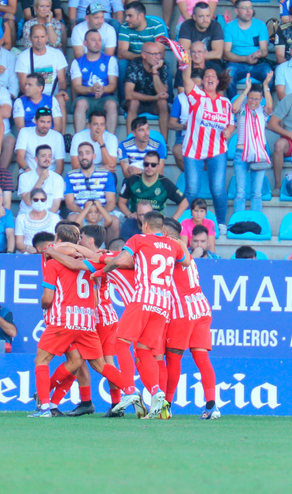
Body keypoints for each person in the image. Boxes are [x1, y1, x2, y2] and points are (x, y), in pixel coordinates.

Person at [31, 224, 136, 417]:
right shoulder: (95, 262)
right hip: (89, 321)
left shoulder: (53, 261)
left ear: (58, 239)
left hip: (67, 320)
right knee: (94, 363)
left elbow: (47, 298)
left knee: (42, 360)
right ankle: (130, 392)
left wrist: (45, 305)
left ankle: (46, 405)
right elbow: (95, 300)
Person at [97, 212, 191, 419]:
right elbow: (185, 263)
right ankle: (158, 394)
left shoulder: (138, 239)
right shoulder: (173, 245)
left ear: (146, 225)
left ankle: (130, 390)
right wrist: (179, 242)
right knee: (145, 350)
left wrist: (102, 270)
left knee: (120, 344)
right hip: (164, 303)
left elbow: (122, 258)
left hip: (143, 298)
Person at [158, 218, 220, 419]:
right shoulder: (181, 246)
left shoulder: (170, 248)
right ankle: (211, 405)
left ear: (165, 234)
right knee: (201, 357)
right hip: (200, 306)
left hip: (182, 308)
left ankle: (166, 405)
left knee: (173, 357)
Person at [180, 63, 234, 228]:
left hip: (217, 150)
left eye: (213, 76)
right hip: (193, 149)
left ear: (218, 81)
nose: (210, 78)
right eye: (207, 76)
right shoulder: (196, 95)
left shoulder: (225, 103)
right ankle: (184, 223)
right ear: (202, 81)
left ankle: (221, 224)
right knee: (191, 189)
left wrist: (229, 131)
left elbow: (231, 123)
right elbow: (186, 78)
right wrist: (186, 62)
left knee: (218, 189)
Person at [231, 73, 273, 213]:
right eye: (251, 98)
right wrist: (245, 90)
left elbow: (270, 107)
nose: (253, 102)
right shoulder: (242, 108)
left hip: (259, 153)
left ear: (261, 99)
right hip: (241, 153)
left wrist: (266, 86)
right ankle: (237, 224)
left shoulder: (263, 111)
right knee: (240, 192)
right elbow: (234, 108)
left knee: (256, 194)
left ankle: (256, 223)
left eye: (256, 99)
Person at [64, 142, 119, 238]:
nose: (84, 156)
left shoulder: (106, 174)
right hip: (80, 212)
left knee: (114, 221)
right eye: (80, 154)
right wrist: (84, 213)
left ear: (94, 156)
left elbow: (111, 201)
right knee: (71, 219)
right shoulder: (70, 175)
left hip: (101, 212)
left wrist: (101, 214)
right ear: (77, 157)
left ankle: (112, 251)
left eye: (87, 153)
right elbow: (69, 203)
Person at [70, 29, 119, 135]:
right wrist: (90, 89)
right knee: (80, 103)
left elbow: (113, 84)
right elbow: (77, 86)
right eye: (93, 40)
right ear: (85, 43)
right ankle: (79, 141)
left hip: (106, 97)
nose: (98, 43)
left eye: (99, 40)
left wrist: (104, 89)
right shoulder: (77, 62)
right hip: (86, 97)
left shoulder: (110, 60)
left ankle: (111, 140)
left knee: (112, 104)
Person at [223, 0, 271, 100]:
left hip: (258, 64)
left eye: (250, 7)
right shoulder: (229, 27)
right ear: (236, 11)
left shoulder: (260, 25)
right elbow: (226, 54)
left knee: (269, 73)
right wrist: (245, 59)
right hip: (237, 64)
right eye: (244, 8)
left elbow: (265, 50)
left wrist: (259, 54)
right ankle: (234, 105)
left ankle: (263, 105)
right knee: (228, 74)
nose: (249, 11)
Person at [15, 24, 69, 114]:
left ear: (47, 37)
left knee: (61, 99)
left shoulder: (57, 54)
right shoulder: (23, 57)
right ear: (30, 38)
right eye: (36, 37)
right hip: (33, 96)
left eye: (42, 37)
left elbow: (62, 80)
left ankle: (60, 129)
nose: (40, 40)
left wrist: (62, 91)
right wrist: (38, 97)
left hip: (53, 96)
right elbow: (23, 84)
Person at [120, 151, 189, 219]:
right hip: (136, 219)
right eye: (146, 164)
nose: (149, 167)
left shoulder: (165, 183)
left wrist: (173, 219)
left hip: (156, 221)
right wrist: (129, 215)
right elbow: (121, 202)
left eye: (153, 165)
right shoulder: (133, 180)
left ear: (158, 166)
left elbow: (184, 202)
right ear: (143, 165)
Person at [124, 41, 169, 141]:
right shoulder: (134, 64)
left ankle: (164, 143)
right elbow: (128, 94)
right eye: (154, 54)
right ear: (144, 55)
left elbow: (162, 92)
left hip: (154, 104)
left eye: (159, 53)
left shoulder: (162, 66)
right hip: (137, 102)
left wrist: (155, 71)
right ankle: (129, 141)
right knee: (133, 103)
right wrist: (154, 97)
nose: (157, 57)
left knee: (163, 103)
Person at [117, 2, 167, 90]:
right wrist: (143, 57)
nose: (127, 19)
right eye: (126, 16)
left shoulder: (156, 26)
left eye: (130, 16)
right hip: (133, 61)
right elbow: (121, 53)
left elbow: (160, 52)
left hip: (153, 58)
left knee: (165, 66)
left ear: (140, 16)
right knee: (122, 64)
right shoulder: (125, 27)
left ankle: (168, 101)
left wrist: (148, 58)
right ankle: (123, 101)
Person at [18, 144, 64, 217]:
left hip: (49, 216)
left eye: (49, 156)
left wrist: (43, 220)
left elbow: (55, 206)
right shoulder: (24, 177)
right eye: (43, 156)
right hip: (27, 215)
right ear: (36, 159)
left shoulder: (58, 178)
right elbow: (28, 201)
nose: (47, 159)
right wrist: (41, 179)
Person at [15, 107, 66, 172]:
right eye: (42, 122)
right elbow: (20, 157)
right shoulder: (24, 132)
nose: (45, 125)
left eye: (48, 122)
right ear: (35, 120)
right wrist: (31, 174)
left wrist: (50, 180)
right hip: (28, 174)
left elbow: (60, 166)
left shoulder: (57, 136)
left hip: (50, 177)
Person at [15, 188, 58, 253]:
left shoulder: (54, 218)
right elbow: (19, 242)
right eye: (36, 200)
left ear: (46, 201)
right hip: (27, 254)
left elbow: (56, 240)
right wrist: (28, 248)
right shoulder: (21, 218)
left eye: (42, 200)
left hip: (49, 254)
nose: (39, 202)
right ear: (30, 200)